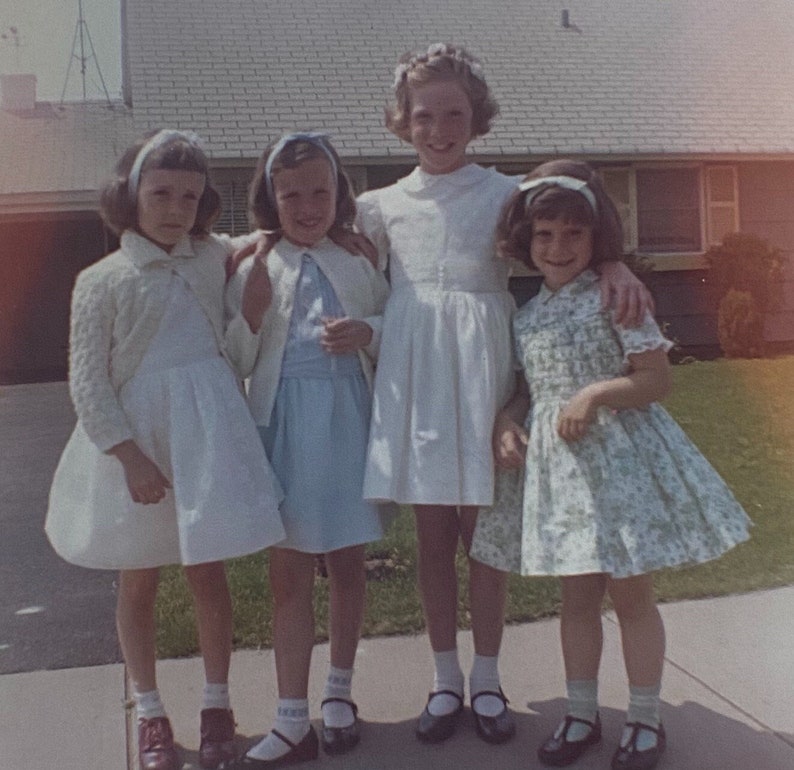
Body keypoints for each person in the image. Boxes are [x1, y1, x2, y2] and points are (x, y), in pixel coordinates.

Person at [355, 43, 652, 746]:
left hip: (486, 368)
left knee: (484, 538)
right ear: (401, 122)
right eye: (423, 115)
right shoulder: (379, 205)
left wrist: (612, 259)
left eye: (454, 113)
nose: (439, 127)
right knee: (433, 538)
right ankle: (444, 680)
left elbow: (580, 192)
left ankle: (487, 679)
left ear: (477, 118)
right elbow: (314, 238)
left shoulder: (504, 193)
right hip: (418, 375)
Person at [470, 159, 752, 770]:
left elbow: (654, 379)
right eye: (544, 234)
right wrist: (506, 420)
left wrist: (595, 393)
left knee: (631, 598)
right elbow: (528, 388)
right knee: (576, 600)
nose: (558, 246)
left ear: (597, 240)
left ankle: (646, 720)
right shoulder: (527, 316)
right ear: (526, 241)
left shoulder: (615, 296)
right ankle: (579, 715)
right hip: (565, 480)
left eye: (574, 234)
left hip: (621, 469)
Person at [44, 129, 286, 770]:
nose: (175, 207)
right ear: (131, 195)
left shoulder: (211, 259)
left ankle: (216, 705)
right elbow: (88, 381)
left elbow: (268, 251)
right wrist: (128, 456)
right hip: (139, 444)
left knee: (208, 571)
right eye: (160, 193)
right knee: (139, 576)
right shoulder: (101, 280)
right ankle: (150, 710)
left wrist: (253, 313)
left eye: (189, 196)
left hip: (206, 437)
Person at [225, 133, 391, 769]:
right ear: (269, 198)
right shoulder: (251, 264)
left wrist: (366, 331)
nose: (307, 205)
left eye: (321, 190)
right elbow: (237, 359)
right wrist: (253, 314)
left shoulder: (357, 256)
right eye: (290, 194)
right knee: (289, 570)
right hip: (283, 425)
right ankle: (291, 714)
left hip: (347, 417)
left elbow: (388, 328)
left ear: (340, 193)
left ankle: (340, 694)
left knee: (347, 561)